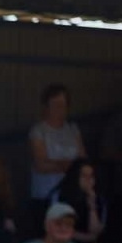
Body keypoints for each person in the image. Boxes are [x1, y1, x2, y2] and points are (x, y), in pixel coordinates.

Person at [28, 83, 86, 217]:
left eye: (63, 104)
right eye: (55, 104)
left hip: (72, 192)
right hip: (46, 193)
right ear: (46, 107)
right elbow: (41, 164)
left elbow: (83, 160)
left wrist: (60, 165)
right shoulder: (38, 131)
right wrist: (71, 165)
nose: (60, 109)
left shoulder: (72, 129)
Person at [50, 158, 107, 243]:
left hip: (90, 242)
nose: (88, 180)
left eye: (91, 176)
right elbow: (58, 227)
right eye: (84, 176)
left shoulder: (99, 199)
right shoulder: (60, 197)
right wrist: (89, 238)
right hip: (67, 239)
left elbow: (96, 230)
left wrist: (92, 206)